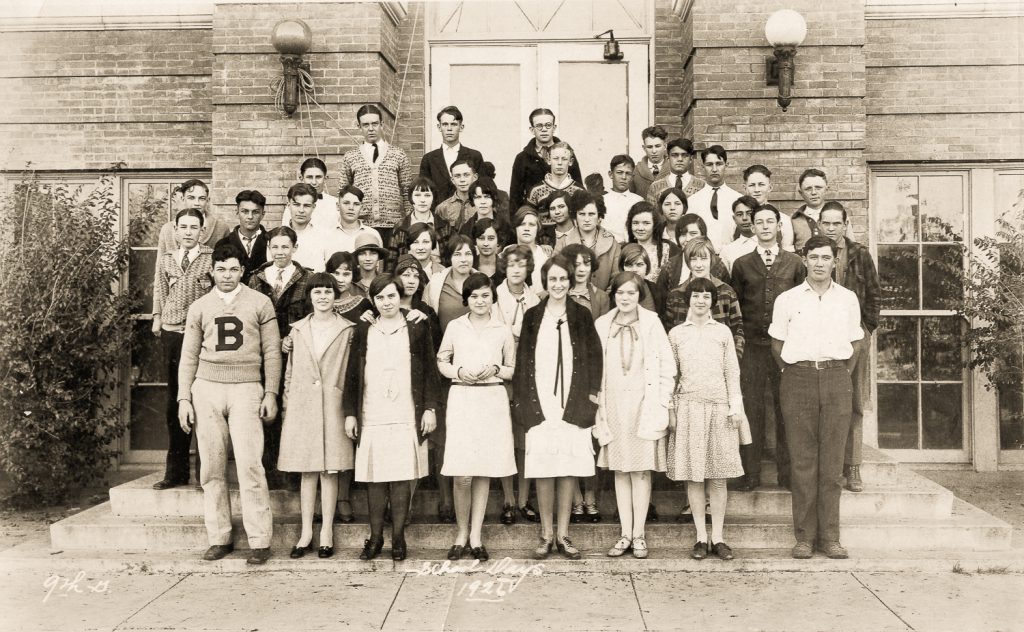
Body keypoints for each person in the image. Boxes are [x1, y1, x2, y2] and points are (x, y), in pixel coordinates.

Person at [177, 242, 281, 564]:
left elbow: (272, 352)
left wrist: (271, 392)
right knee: (212, 466)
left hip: (247, 388)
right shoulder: (200, 306)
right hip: (207, 388)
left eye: (234, 269)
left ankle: (260, 539)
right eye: (221, 269)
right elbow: (189, 356)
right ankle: (219, 536)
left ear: (243, 271)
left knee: (250, 463)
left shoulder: (260, 303)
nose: (227, 275)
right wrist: (184, 398)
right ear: (211, 271)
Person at [770, 235, 863, 560]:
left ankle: (830, 537)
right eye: (814, 257)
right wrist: (800, 371)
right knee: (803, 461)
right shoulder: (788, 299)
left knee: (832, 463)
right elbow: (778, 346)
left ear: (834, 260)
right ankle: (805, 538)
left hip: (837, 377)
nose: (820, 263)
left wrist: (835, 373)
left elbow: (856, 344)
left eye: (826, 257)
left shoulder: (848, 299)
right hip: (798, 379)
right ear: (805, 259)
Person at [343, 274, 441, 561]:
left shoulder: (416, 327)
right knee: (374, 479)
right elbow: (352, 375)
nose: (387, 302)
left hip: (405, 412)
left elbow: (429, 373)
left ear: (401, 296)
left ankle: (398, 538)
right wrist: (350, 414)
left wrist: (430, 408)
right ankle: (375, 538)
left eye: (391, 296)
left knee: (400, 477)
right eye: (381, 297)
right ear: (373, 301)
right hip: (372, 412)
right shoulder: (364, 328)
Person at [513, 254, 603, 560]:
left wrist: (590, 395)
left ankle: (564, 534)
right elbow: (524, 362)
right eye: (553, 279)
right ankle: (546, 534)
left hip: (572, 401)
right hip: (541, 401)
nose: (559, 284)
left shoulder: (580, 314)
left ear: (571, 280)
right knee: (543, 468)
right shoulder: (533, 316)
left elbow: (594, 358)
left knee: (567, 467)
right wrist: (525, 404)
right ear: (545, 281)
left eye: (563, 278)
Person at [593, 272, 674, 559]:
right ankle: (624, 534)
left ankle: (639, 534)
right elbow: (595, 369)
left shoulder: (651, 323)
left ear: (639, 295)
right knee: (620, 470)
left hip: (644, 403)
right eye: (620, 293)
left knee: (640, 470)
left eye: (631, 293)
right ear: (613, 295)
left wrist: (662, 402)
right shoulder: (603, 324)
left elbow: (666, 366)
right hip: (614, 404)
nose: (625, 298)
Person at [667, 277, 748, 561]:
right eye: (696, 296)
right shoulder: (677, 334)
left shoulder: (723, 332)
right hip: (689, 407)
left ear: (713, 301)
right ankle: (701, 536)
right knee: (694, 476)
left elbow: (732, 372)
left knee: (718, 476)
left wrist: (734, 406)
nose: (700, 301)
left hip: (719, 408)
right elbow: (671, 375)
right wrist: (671, 409)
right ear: (687, 299)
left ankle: (719, 537)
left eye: (705, 296)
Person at [437, 272, 517, 562]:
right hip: (462, 397)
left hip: (491, 399)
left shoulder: (502, 329)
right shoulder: (456, 327)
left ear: (492, 297)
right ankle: (461, 532)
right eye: (474, 296)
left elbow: (512, 368)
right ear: (466, 299)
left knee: (483, 468)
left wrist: (496, 369)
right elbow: (441, 360)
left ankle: (476, 535)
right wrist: (458, 372)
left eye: (485, 295)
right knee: (462, 471)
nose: (480, 301)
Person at [278, 273, 355, 559]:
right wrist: (288, 406)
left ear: (336, 296)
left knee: (329, 469)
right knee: (307, 470)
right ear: (309, 296)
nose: (323, 297)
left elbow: (351, 372)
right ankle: (306, 531)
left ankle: (326, 532)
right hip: (303, 407)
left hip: (332, 406)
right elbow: (289, 373)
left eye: (328, 292)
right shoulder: (297, 330)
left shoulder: (347, 330)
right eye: (317, 292)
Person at [730, 205, 807, 491]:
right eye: (758, 221)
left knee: (785, 406)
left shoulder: (795, 263)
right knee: (751, 409)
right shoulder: (741, 264)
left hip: (785, 348)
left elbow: (803, 304)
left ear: (778, 227)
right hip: (751, 347)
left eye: (769, 222)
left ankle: (786, 474)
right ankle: (749, 474)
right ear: (752, 226)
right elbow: (734, 307)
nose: (764, 226)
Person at [819, 201, 880, 492]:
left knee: (854, 400)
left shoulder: (859, 254)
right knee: (825, 401)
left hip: (853, 336)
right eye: (826, 223)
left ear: (845, 225)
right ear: (819, 224)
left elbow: (874, 293)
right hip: (819, 338)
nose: (831, 229)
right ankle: (828, 466)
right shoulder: (812, 252)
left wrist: (866, 328)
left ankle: (852, 465)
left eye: (836, 223)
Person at [152, 209, 213, 491]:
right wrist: (157, 318)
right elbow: (160, 292)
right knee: (176, 401)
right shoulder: (166, 259)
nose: (188, 232)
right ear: (175, 230)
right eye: (183, 227)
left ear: (202, 231)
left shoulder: (211, 259)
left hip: (202, 337)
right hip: (173, 333)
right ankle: (175, 472)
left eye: (194, 227)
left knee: (202, 401)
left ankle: (206, 474)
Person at [248, 226, 314, 488]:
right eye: (275, 247)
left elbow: (311, 317)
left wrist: (292, 338)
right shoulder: (256, 278)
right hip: (264, 354)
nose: (280, 252)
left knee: (292, 411)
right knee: (266, 409)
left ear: (294, 248)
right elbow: (250, 317)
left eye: (285, 247)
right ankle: (269, 470)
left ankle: (292, 472)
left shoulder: (307, 278)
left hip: (294, 353)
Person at [423, 234, 478, 523]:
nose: (463, 259)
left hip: (475, 368)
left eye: (468, 253)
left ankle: (469, 498)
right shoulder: (436, 283)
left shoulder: (481, 281)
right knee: (444, 434)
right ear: (448, 258)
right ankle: (446, 500)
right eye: (457, 254)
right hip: (443, 367)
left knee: (471, 432)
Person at [562, 242, 610, 524]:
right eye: (576, 264)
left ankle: (591, 497)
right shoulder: (556, 294)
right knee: (570, 437)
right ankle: (576, 499)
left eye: (585, 264)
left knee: (593, 436)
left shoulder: (601, 298)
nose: (581, 269)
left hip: (592, 371)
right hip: (565, 373)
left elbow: (601, 338)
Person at [494, 245, 541, 524]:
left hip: (528, 376)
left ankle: (524, 499)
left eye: (521, 265)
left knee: (525, 440)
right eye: (511, 264)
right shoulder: (494, 297)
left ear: (528, 268)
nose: (515, 270)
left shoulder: (536, 299)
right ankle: (508, 500)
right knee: (503, 438)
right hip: (501, 374)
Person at [339, 104, 413, 248]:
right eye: (365, 125)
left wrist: (408, 223)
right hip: (363, 226)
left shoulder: (398, 154)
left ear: (382, 124)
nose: (371, 128)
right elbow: (343, 193)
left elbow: (407, 192)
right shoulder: (350, 157)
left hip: (394, 226)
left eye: (374, 124)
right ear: (359, 126)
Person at [664, 237, 744, 356]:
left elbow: (738, 328)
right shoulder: (676, 295)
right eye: (693, 259)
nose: (698, 265)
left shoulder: (726, 292)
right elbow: (669, 331)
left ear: (711, 260)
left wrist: (734, 358)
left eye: (703, 258)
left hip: (719, 361)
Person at [509, 108, 583, 209]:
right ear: (532, 130)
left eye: (548, 125)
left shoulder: (567, 154)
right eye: (539, 126)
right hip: (535, 214)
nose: (544, 129)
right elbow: (515, 197)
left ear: (554, 128)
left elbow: (578, 186)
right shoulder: (522, 158)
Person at [655, 212, 731, 302]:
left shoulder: (718, 265)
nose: (687, 239)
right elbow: (661, 302)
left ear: (703, 235)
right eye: (683, 234)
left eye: (693, 233)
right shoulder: (670, 266)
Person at [419, 105, 486, 202]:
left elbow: (482, 187)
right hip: (438, 212)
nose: (449, 129)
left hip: (469, 212)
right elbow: (424, 191)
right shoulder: (429, 159)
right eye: (445, 124)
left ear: (461, 127)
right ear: (439, 127)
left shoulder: (475, 156)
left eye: (454, 124)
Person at [155, 178, 230, 263]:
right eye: (191, 198)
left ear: (207, 200)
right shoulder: (167, 229)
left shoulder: (221, 228)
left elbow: (226, 263)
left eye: (201, 198)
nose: (196, 203)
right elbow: (160, 265)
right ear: (183, 199)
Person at [560, 189, 620, 291]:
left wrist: (602, 300)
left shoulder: (613, 244)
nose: (586, 219)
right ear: (575, 216)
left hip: (604, 303)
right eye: (582, 214)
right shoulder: (563, 242)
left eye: (591, 214)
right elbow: (556, 275)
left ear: (599, 216)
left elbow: (617, 279)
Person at [389, 177, 454, 269]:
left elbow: (450, 259)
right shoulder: (400, 227)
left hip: (438, 275)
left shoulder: (444, 226)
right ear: (411, 198)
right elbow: (391, 262)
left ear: (433, 198)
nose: (422, 200)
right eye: (417, 195)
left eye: (427, 195)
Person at [687, 146, 742, 252]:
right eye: (709, 164)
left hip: (732, 257)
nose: (714, 169)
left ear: (726, 165)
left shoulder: (737, 199)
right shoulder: (693, 201)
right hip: (702, 257)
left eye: (719, 164)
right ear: (703, 167)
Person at [216, 190, 268, 285]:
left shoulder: (271, 242)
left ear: (262, 214)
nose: (250, 216)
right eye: (245, 211)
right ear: (237, 212)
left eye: (255, 212)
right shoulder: (223, 244)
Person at [742, 165, 795, 252]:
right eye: (752, 185)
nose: (756, 190)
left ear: (770, 187)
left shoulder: (784, 220)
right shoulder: (739, 219)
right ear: (745, 188)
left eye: (761, 185)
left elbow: (787, 254)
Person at [327, 185, 383, 263]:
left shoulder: (373, 234)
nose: (351, 208)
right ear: (338, 206)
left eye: (356, 204)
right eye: (346, 203)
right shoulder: (327, 234)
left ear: (362, 207)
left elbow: (378, 268)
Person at [625, 201, 678, 283]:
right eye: (635, 223)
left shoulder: (669, 249)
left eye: (646, 223)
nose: (640, 228)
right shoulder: (624, 249)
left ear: (655, 225)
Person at [281, 158, 340, 229]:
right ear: (301, 178)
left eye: (318, 177)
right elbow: (286, 232)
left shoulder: (335, 204)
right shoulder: (294, 204)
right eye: (309, 177)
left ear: (325, 178)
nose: (314, 182)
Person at [645, 138, 706, 206]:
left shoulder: (702, 186)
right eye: (675, 155)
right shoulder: (655, 187)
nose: (680, 159)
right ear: (668, 158)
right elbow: (651, 215)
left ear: (690, 159)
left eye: (684, 155)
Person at [526, 142, 583, 213]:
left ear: (570, 162)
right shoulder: (536, 191)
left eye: (564, 159)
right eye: (556, 158)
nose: (559, 163)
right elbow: (530, 218)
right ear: (549, 160)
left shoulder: (580, 191)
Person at [283, 183, 327, 272]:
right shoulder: (277, 236)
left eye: (306, 206)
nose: (301, 210)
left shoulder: (324, 236)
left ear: (313, 207)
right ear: (288, 205)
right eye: (296, 204)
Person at [459, 177, 513, 246]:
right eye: (478, 197)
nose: (483, 202)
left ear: (494, 198)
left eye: (487, 197)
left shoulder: (505, 227)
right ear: (473, 200)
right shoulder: (466, 229)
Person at [510, 205, 552, 289]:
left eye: (531, 224)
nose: (526, 228)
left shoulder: (546, 256)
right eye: (522, 224)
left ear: (538, 228)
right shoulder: (507, 253)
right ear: (515, 227)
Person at [603, 154, 643, 243]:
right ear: (611, 174)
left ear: (632, 177)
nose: (623, 177)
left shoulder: (638, 201)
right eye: (619, 172)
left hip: (632, 248)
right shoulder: (602, 201)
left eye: (628, 173)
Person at [618, 244, 666, 316]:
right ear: (622, 268)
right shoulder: (615, 293)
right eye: (629, 265)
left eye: (639, 265)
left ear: (647, 266)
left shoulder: (657, 290)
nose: (634, 270)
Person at [792, 168, 830, 253]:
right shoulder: (794, 220)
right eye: (808, 189)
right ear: (800, 192)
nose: (813, 192)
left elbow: (851, 249)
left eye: (818, 188)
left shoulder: (839, 216)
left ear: (826, 189)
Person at [719, 196, 759, 273]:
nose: (744, 218)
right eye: (739, 214)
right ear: (734, 219)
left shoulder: (768, 246)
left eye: (749, 213)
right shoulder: (727, 251)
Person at [435, 159, 478, 230]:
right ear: (452, 180)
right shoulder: (442, 208)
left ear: (475, 177)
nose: (462, 180)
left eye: (466, 175)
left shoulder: (482, 205)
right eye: (457, 176)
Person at [630, 125, 669, 199]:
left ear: (665, 146)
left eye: (657, 146)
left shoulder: (673, 170)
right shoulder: (635, 171)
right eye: (649, 147)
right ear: (644, 148)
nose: (654, 151)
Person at [352, 232, 387, 296]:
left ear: (378, 257)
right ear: (357, 257)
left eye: (373, 253)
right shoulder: (350, 283)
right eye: (362, 254)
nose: (368, 258)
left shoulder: (385, 283)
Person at [471, 218, 505, 284]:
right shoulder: (470, 267)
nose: (486, 243)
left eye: (491, 238)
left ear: (498, 240)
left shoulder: (505, 268)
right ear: (475, 240)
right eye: (481, 238)